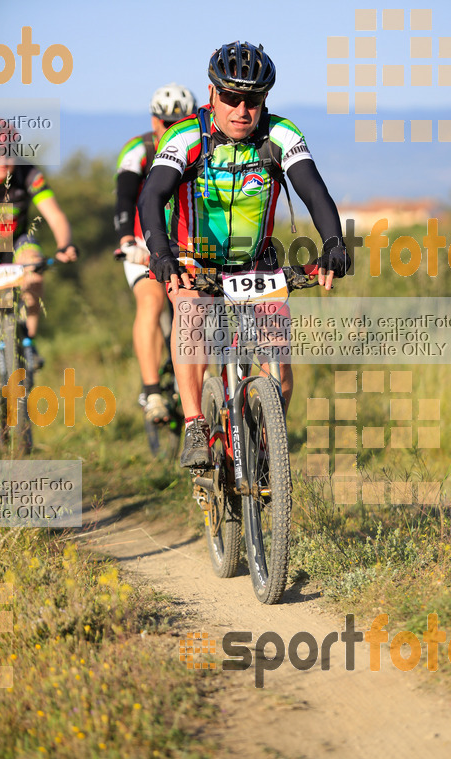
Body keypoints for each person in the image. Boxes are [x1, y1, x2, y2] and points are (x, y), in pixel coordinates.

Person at [138, 41, 350, 467]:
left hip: (256, 263)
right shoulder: (186, 136)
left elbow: (314, 190)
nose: (241, 110)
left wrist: (332, 243)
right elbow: (152, 195)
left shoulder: (280, 134)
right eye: (231, 98)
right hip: (192, 259)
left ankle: (269, 447)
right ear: (212, 94)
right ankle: (196, 422)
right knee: (194, 317)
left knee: (279, 369)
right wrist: (161, 255)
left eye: (252, 100)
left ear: (264, 101)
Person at [114, 83, 197, 424]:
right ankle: (152, 392)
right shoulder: (139, 149)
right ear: (154, 120)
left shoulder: (198, 145)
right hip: (143, 242)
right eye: (165, 123)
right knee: (151, 302)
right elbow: (124, 197)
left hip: (186, 242)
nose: (171, 129)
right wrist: (124, 240)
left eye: (180, 122)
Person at [0, 126, 78, 365]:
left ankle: (29, 342)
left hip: (18, 238)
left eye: (9, 152)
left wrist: (65, 245)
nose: (4, 160)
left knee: (34, 268)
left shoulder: (28, 173)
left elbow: (54, 215)